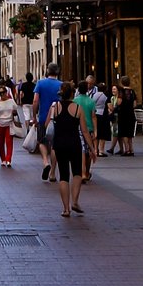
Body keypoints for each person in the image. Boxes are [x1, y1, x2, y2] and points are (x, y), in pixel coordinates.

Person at [47, 80, 93, 219]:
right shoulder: (78, 109)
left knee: (63, 176)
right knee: (77, 173)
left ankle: (66, 209)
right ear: (73, 93)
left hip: (59, 144)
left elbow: (47, 124)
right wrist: (92, 148)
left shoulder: (55, 107)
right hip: (74, 144)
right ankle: (75, 201)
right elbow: (84, 131)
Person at [33, 66, 63, 180]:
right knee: (55, 146)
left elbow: (35, 100)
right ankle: (53, 173)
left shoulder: (40, 83)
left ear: (47, 71)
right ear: (57, 72)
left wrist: (34, 116)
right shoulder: (61, 84)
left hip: (43, 117)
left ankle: (45, 162)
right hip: (58, 117)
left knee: (41, 141)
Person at [0, 83, 20, 167]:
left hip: (9, 123)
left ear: (6, 92)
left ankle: (8, 159)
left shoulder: (11, 101)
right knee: (1, 142)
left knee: (9, 142)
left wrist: (14, 112)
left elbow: (15, 109)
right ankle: (3, 159)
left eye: (3, 92)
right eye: (0, 93)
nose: (2, 94)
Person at [74, 78, 98, 179]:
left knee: (82, 150)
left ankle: (82, 172)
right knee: (88, 150)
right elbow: (93, 116)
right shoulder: (91, 101)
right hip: (89, 128)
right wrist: (95, 130)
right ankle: (87, 172)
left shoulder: (75, 101)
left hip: (78, 127)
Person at [115, 84, 137, 155]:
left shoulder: (121, 92)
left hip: (123, 115)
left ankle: (127, 150)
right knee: (130, 133)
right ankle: (131, 149)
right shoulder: (132, 92)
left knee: (124, 133)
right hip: (131, 114)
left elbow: (118, 103)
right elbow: (135, 105)